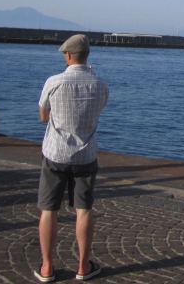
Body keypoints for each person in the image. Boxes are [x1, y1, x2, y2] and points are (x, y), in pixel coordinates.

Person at [35, 34, 108, 283]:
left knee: (48, 210)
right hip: (85, 155)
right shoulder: (100, 84)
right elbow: (99, 109)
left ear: (67, 56)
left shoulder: (53, 82)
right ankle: (83, 266)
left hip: (55, 153)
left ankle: (46, 267)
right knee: (84, 210)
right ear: (87, 56)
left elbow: (44, 117)